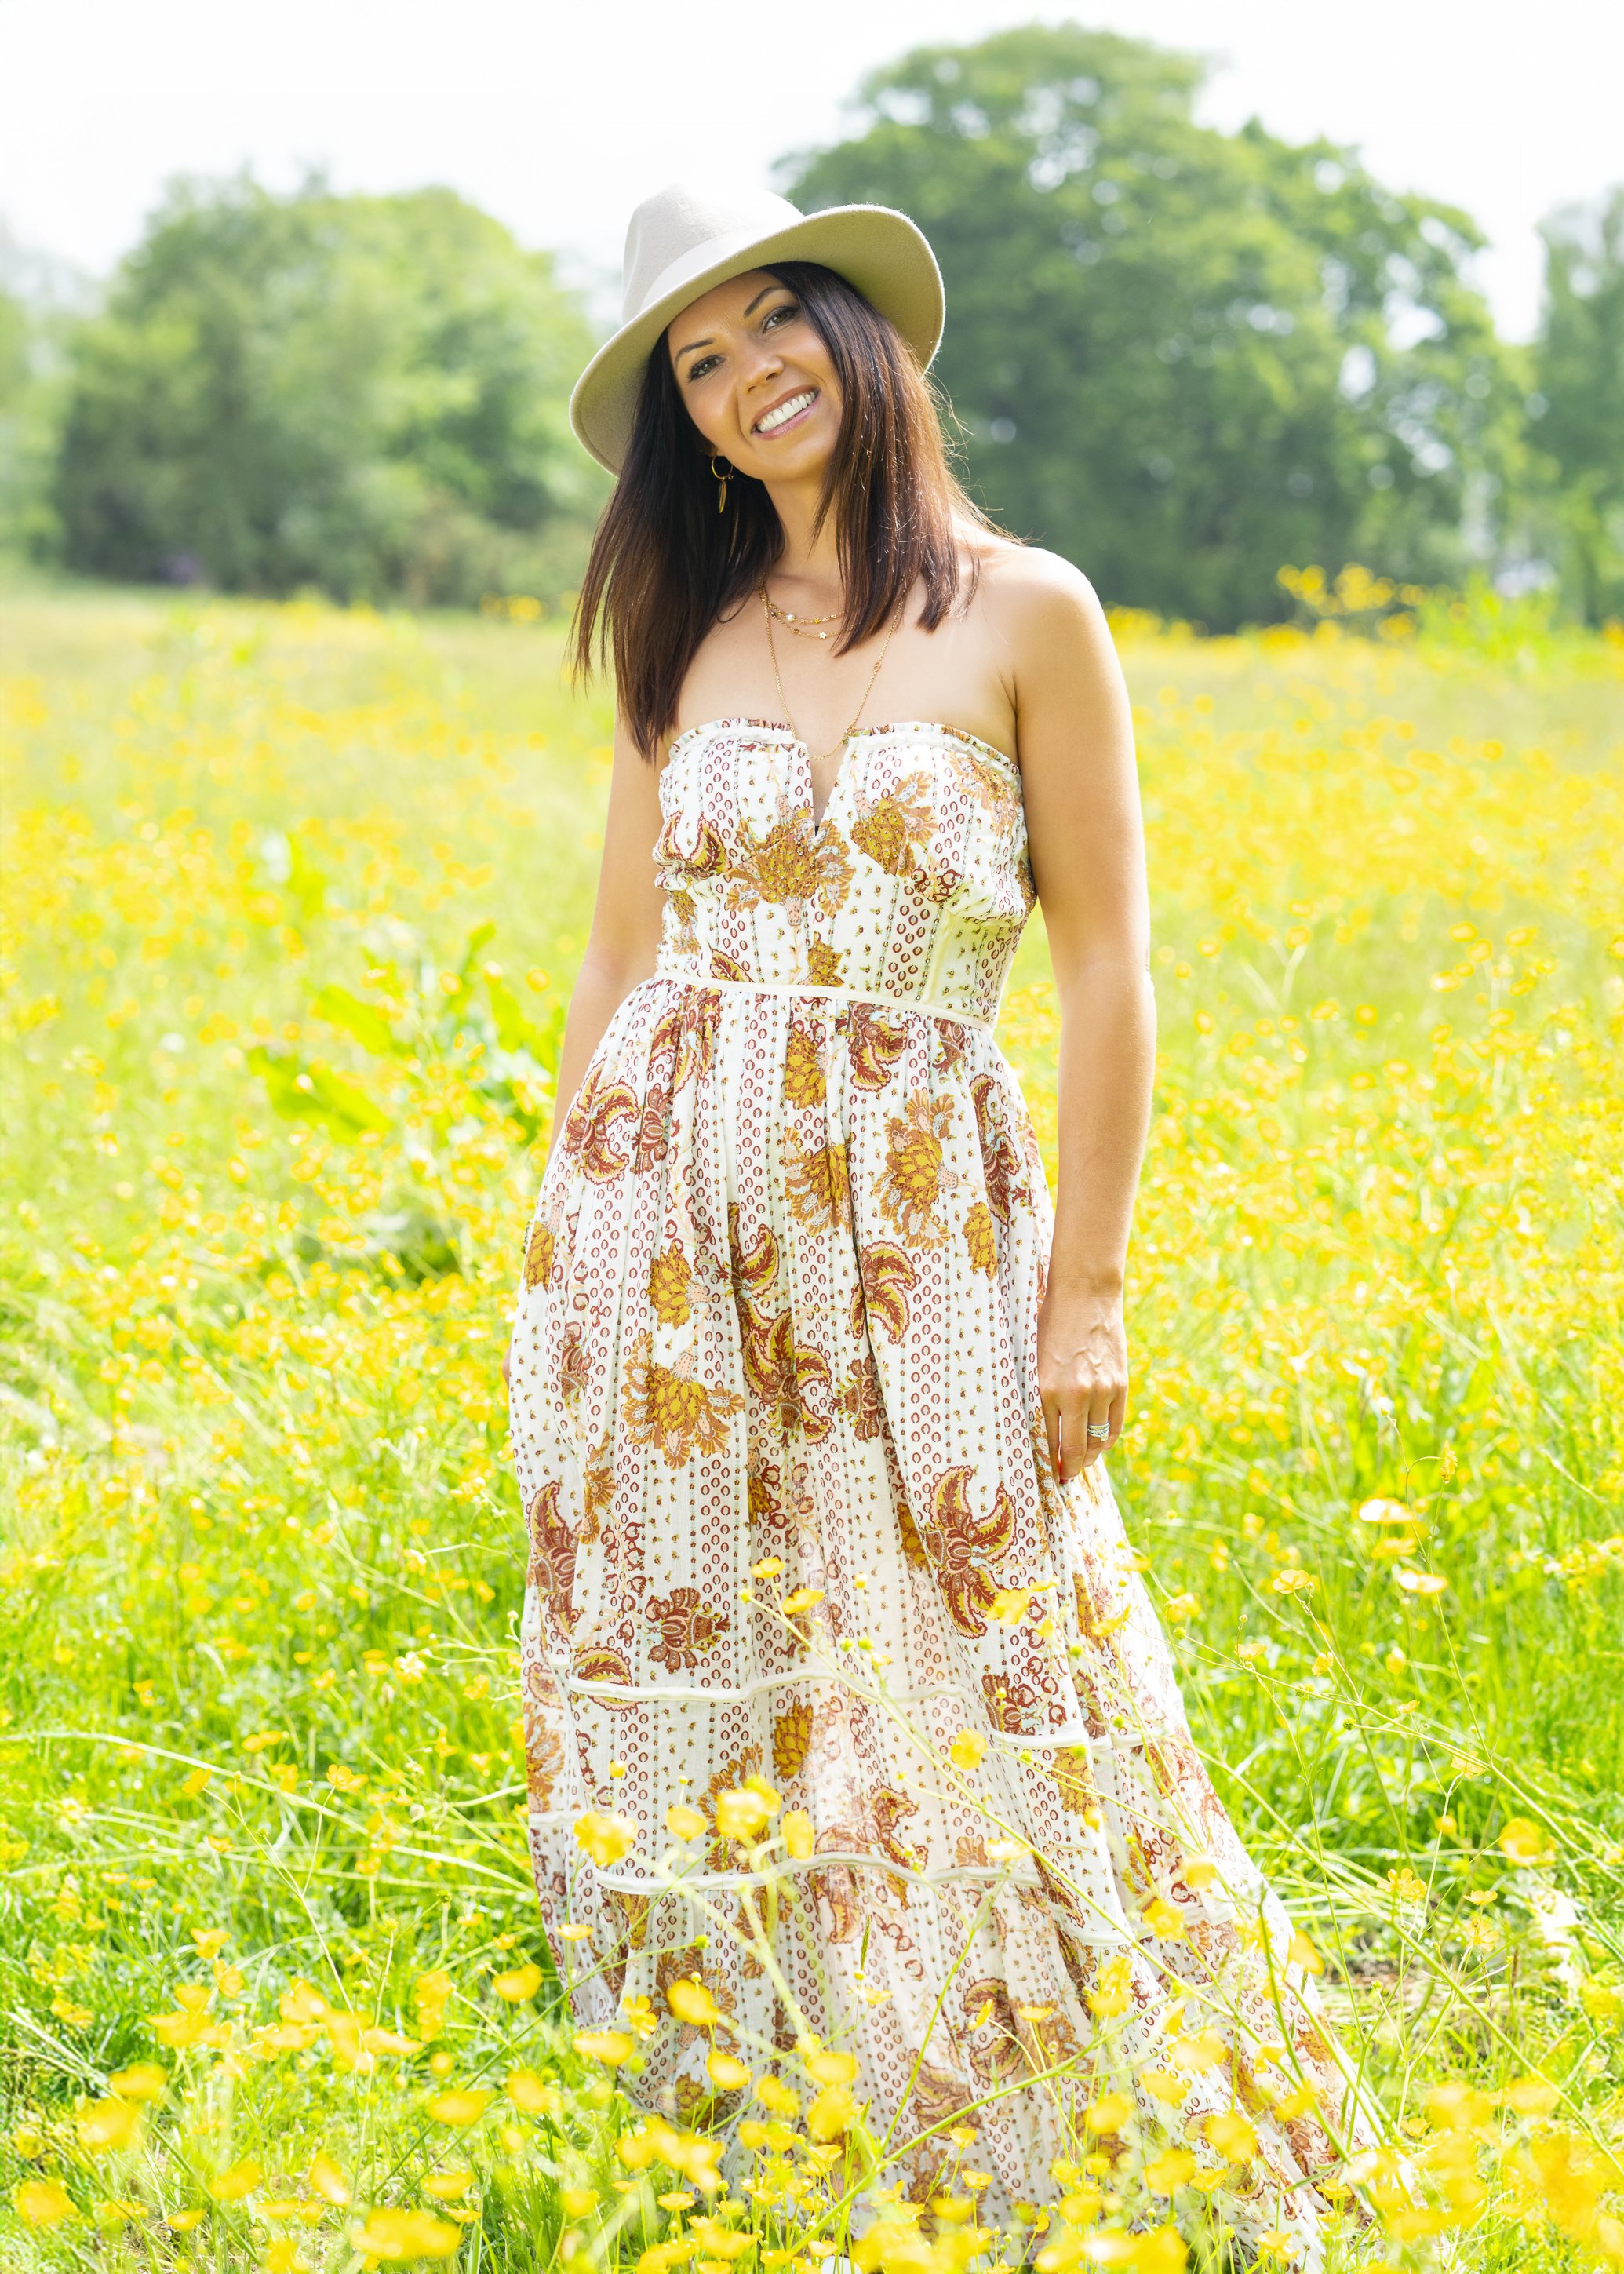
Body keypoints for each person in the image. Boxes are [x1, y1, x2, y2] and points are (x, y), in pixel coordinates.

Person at [506, 182, 1378, 2259]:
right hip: (671, 1215)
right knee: (713, 1656)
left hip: (923, 1228)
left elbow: (1104, 972)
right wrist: (568, 1240)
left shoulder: (1027, 611)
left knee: (988, 1642)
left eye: (765, 329)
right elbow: (622, 958)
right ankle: (757, 2133)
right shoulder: (690, 631)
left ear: (861, 332)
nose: (741, 383)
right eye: (693, 368)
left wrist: (1090, 1292)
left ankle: (1056, 2133)